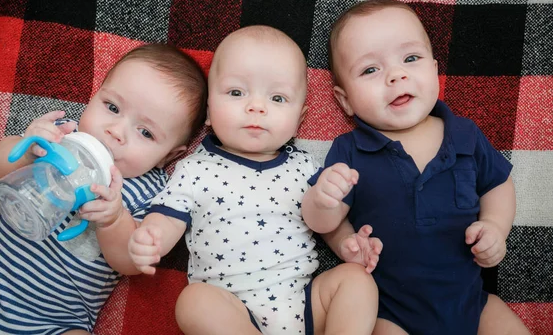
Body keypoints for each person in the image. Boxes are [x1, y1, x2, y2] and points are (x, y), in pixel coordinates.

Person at [128, 25, 382, 335]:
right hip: (232, 310)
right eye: (236, 92)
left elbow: (323, 223)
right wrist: (150, 237)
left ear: (299, 119)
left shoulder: (303, 166)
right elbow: (168, 220)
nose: (256, 107)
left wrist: (345, 241)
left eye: (277, 98)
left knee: (357, 281)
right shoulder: (194, 170)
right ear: (208, 111)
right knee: (194, 301)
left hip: (306, 305)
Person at [301, 0, 531, 335]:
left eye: (411, 58)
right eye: (370, 70)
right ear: (345, 100)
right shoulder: (350, 151)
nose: (397, 75)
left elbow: (498, 184)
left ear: (435, 70)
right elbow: (325, 222)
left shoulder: (465, 135)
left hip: (471, 303)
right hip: (390, 312)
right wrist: (326, 208)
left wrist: (495, 226)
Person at [0, 43, 208, 335]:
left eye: (145, 132)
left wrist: (114, 220)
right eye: (112, 107)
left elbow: (129, 262)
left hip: (56, 325)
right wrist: (28, 149)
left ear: (169, 156)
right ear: (94, 96)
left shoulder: (148, 193)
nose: (116, 131)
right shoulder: (63, 136)